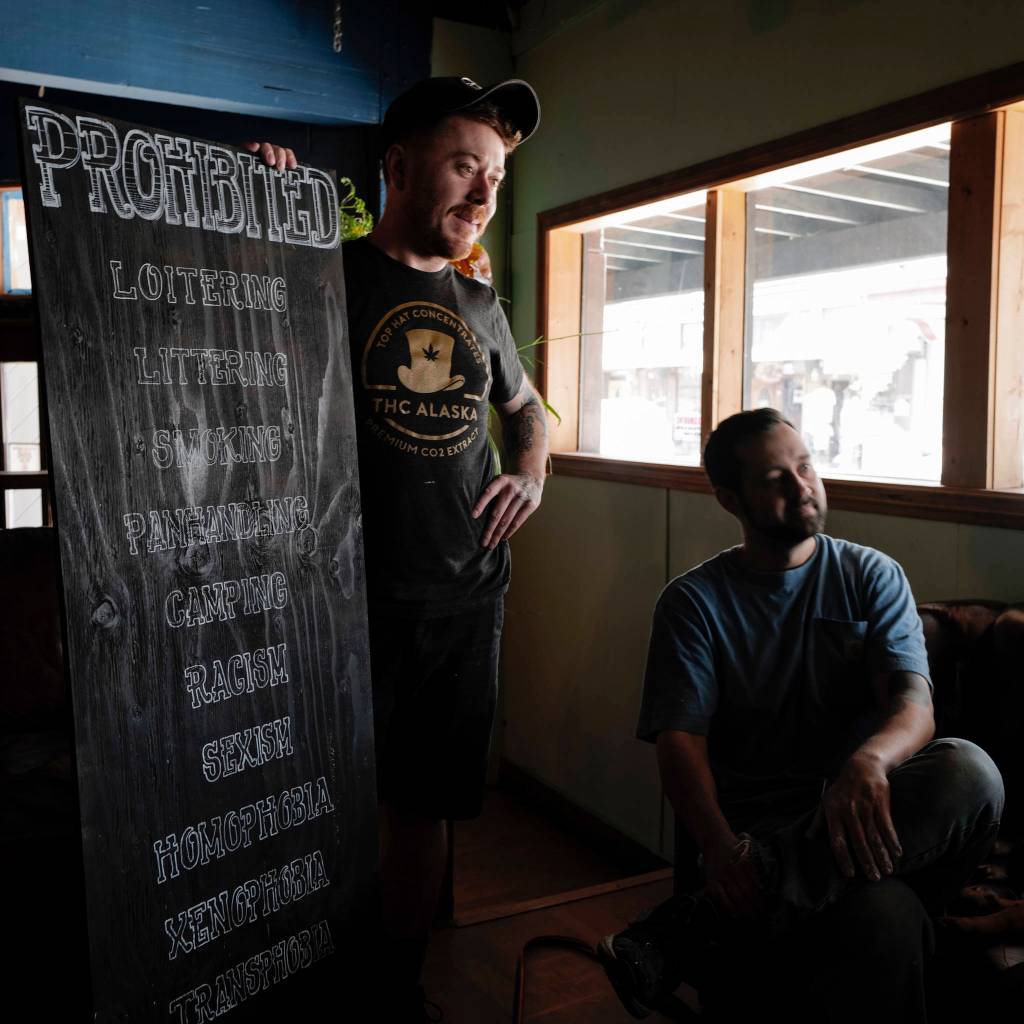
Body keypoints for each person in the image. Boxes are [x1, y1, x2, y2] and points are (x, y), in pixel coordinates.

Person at [249, 77, 548, 1020]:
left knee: (426, 809)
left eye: (496, 174)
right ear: (399, 166)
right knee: (318, 798)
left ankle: (395, 989)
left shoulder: (479, 302)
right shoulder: (320, 268)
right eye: (465, 166)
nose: (484, 194)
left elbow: (528, 408)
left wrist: (533, 470)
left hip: (465, 596)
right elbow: (218, 316)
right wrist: (254, 210)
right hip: (342, 596)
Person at [598, 408, 1003, 1023]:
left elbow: (915, 707)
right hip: (759, 825)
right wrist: (719, 848)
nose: (802, 486)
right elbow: (679, 743)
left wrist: (867, 761)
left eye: (806, 466)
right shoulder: (693, 603)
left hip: (870, 806)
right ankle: (758, 887)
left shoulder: (871, 574)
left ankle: (689, 927)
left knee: (971, 770)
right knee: (887, 917)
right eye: (775, 478)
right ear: (731, 499)